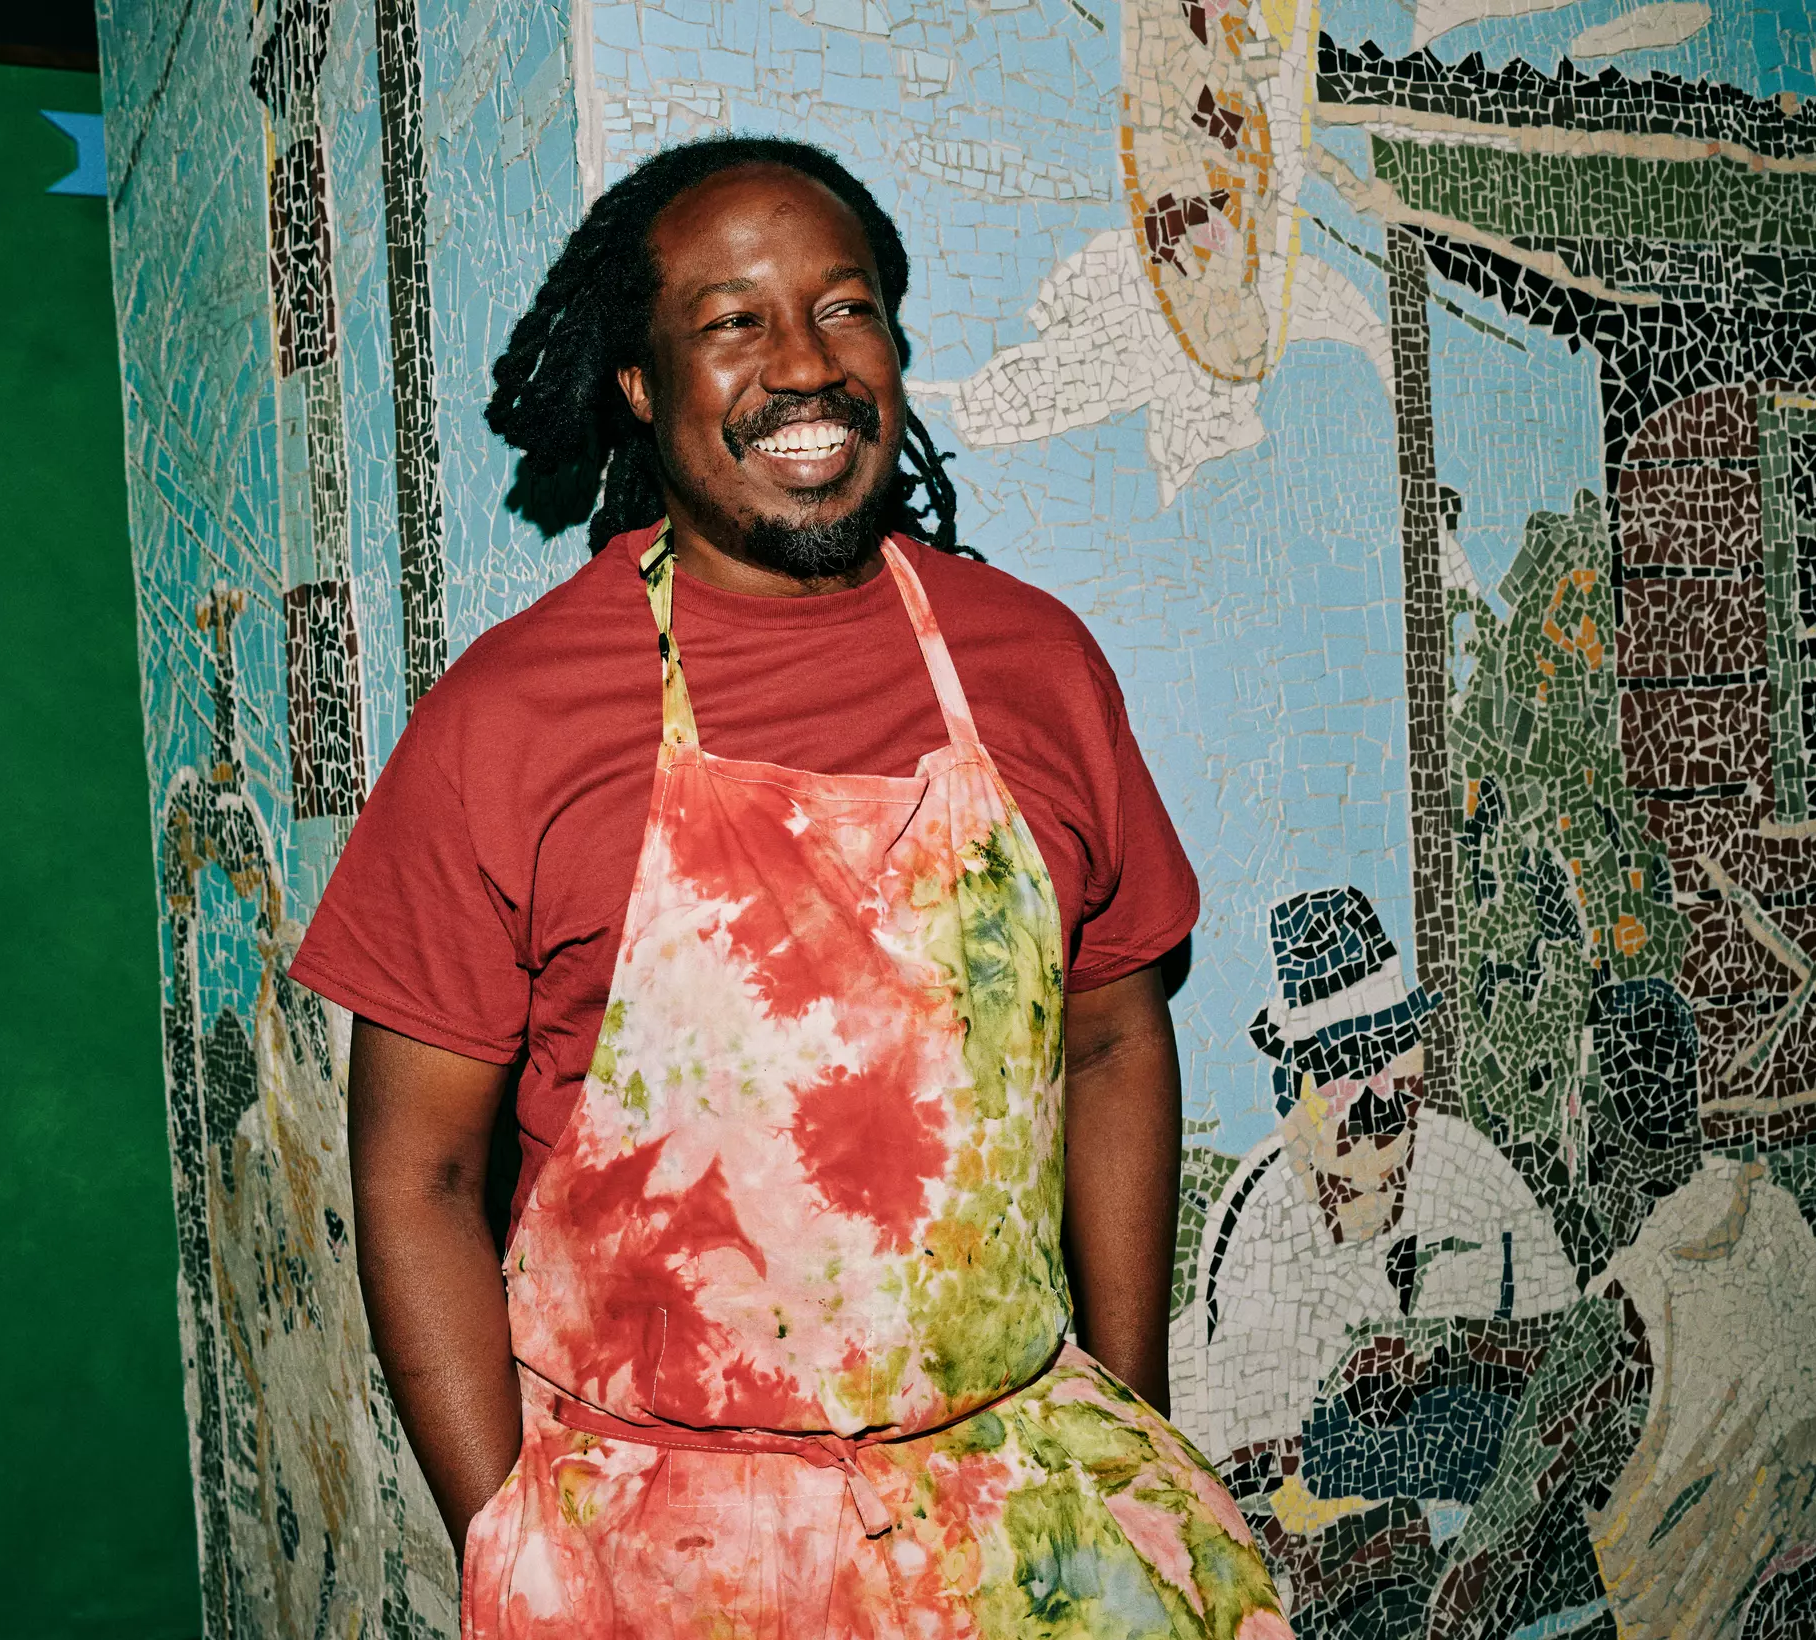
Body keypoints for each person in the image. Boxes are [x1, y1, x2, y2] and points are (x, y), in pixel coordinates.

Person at [289, 135, 1290, 1638]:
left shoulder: (1035, 664)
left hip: (1013, 1511)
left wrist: (1127, 1405)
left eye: (843, 307)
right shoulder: (509, 719)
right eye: (731, 321)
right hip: (657, 1548)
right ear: (639, 384)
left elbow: (1108, 1036)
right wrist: (508, 1540)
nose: (803, 365)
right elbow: (414, 1176)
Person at [1166, 887, 1574, 1629]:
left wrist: (1451, 1352)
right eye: (1348, 1067)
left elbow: (1576, 1363)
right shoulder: (1261, 1223)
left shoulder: (1474, 1176)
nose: (1379, 1094)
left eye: (1393, 1052)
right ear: (1294, 1089)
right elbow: (1264, 1499)